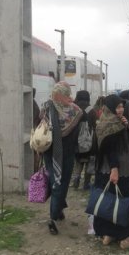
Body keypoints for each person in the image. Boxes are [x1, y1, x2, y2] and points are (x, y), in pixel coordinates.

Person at [94, 94, 129, 249]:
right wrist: (114, 169)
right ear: (110, 107)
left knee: (109, 201)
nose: (121, 110)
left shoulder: (108, 122)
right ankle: (124, 237)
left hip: (107, 169)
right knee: (121, 201)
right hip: (117, 169)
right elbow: (110, 150)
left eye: (122, 106)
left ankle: (108, 233)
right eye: (118, 107)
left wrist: (127, 128)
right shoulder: (111, 124)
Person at [42, 82, 83, 235]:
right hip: (51, 153)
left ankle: (58, 209)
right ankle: (52, 218)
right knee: (57, 183)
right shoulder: (47, 107)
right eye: (55, 93)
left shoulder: (75, 111)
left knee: (63, 183)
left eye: (58, 93)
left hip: (67, 154)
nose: (55, 96)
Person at [71, 90, 96, 190]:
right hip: (88, 140)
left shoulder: (74, 108)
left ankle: (76, 181)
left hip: (75, 140)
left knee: (78, 161)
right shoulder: (91, 110)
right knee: (88, 161)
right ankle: (86, 183)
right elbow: (94, 125)